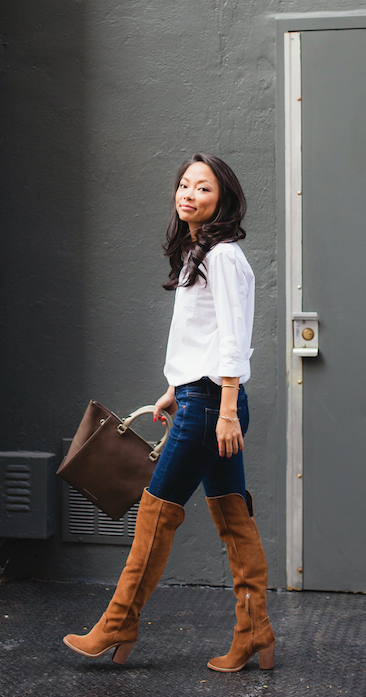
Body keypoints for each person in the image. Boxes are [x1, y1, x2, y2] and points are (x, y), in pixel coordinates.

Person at [63, 153, 275, 673]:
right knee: (233, 515)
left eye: (202, 188)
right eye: (184, 185)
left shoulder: (222, 256)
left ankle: (118, 622)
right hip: (202, 400)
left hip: (212, 409)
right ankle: (256, 633)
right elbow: (201, 338)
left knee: (155, 514)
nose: (189, 195)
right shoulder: (200, 252)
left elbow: (232, 339)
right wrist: (174, 389)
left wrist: (223, 411)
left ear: (223, 198)